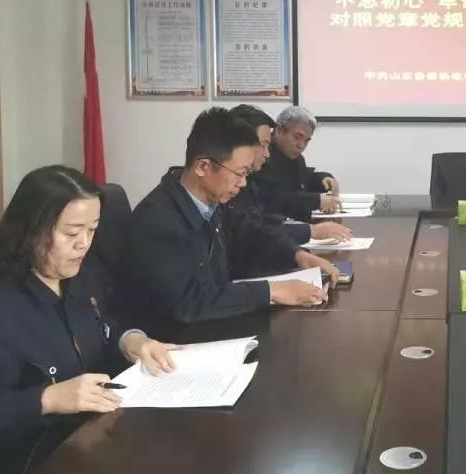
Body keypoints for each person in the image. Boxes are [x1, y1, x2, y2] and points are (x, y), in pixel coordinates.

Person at [0, 166, 177, 474]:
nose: (84, 243)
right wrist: (46, 399)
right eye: (71, 233)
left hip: (91, 440)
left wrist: (130, 340)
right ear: (30, 231)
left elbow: (99, 330)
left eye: (92, 230)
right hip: (31, 459)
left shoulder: (80, 278)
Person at [126, 107, 326, 336]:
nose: (243, 183)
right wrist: (270, 291)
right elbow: (187, 303)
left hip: (214, 326)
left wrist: (296, 254)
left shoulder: (212, 202)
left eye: (246, 174)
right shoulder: (158, 219)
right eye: (239, 173)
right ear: (203, 167)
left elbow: (250, 235)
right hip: (176, 342)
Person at [227, 104, 350, 283]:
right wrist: (310, 229)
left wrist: (297, 254)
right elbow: (272, 203)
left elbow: (258, 226)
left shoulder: (292, 160)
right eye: (263, 145)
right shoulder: (257, 171)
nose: (301, 145)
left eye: (306, 141)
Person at [258, 105, 342, 220]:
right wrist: (316, 201)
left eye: (306, 140)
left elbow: (303, 181)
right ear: (279, 131)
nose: (301, 145)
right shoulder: (262, 156)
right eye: (297, 137)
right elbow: (272, 198)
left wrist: (323, 180)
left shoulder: (295, 158)